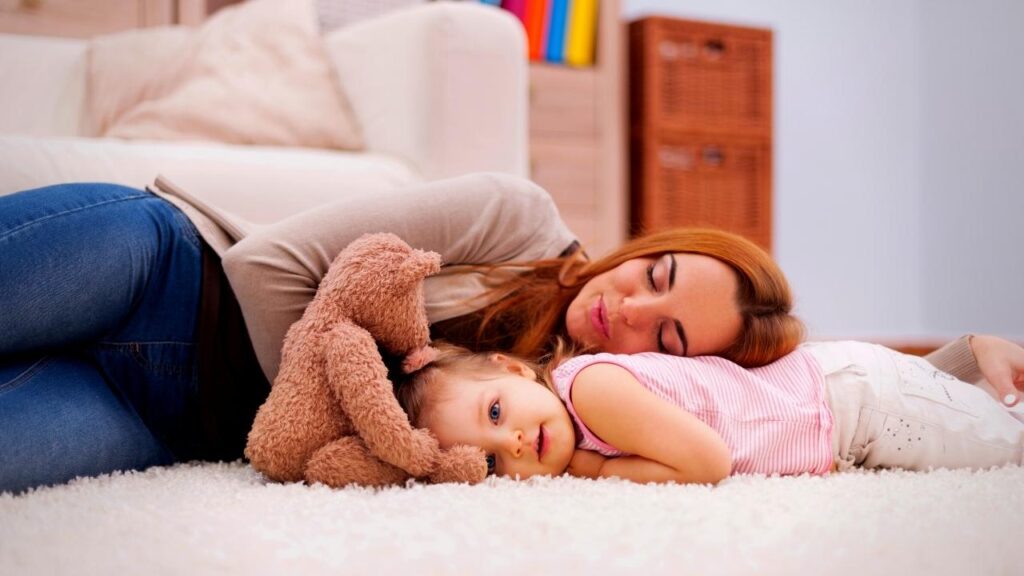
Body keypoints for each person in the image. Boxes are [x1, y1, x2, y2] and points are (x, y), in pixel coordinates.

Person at [0, 174, 1018, 493]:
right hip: (168, 275)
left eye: (666, 341)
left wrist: (958, 358)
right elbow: (265, 271)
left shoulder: (546, 417)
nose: (628, 310)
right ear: (643, 245)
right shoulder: (513, 220)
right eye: (652, 275)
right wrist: (365, 377)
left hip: (163, 421)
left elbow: (804, 396)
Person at [395, 338, 1024, 483]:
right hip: (844, 409)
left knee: (1006, 447)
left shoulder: (590, 391)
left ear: (512, 367)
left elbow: (709, 461)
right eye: (488, 459)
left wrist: (593, 472)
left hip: (854, 400)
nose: (512, 445)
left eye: (497, 412)